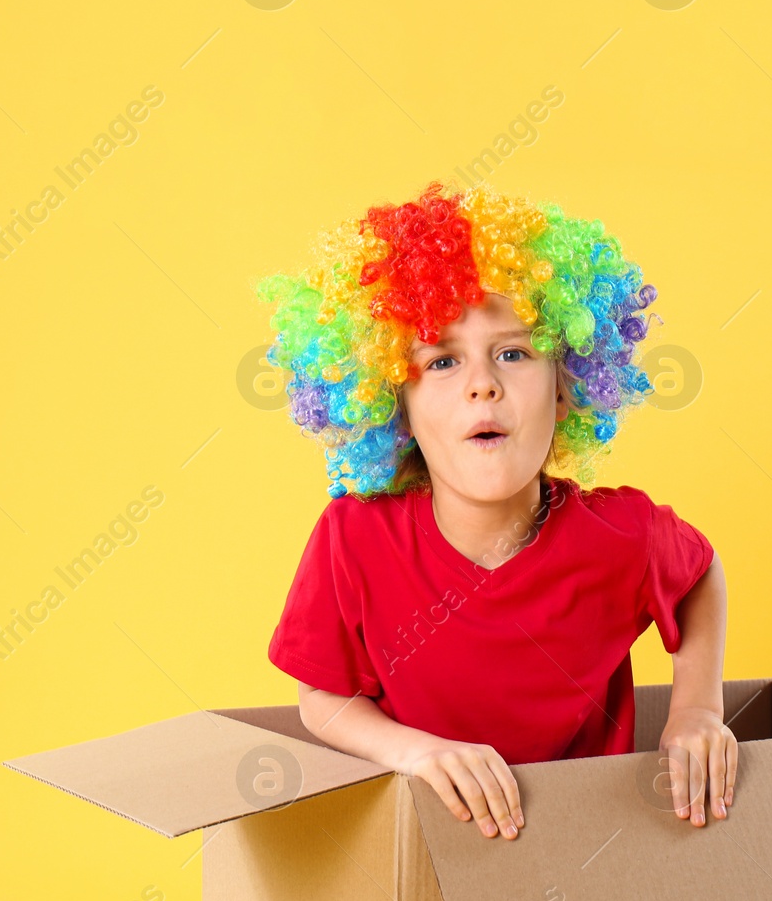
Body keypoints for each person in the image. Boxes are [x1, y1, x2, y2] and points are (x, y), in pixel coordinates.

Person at [259, 181, 735, 842]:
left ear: (567, 386)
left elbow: (699, 574)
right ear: (393, 404)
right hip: (429, 859)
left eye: (513, 353)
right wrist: (413, 750)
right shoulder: (354, 541)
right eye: (443, 360)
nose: (483, 382)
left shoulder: (622, 538)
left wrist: (697, 709)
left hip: (600, 856)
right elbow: (325, 697)